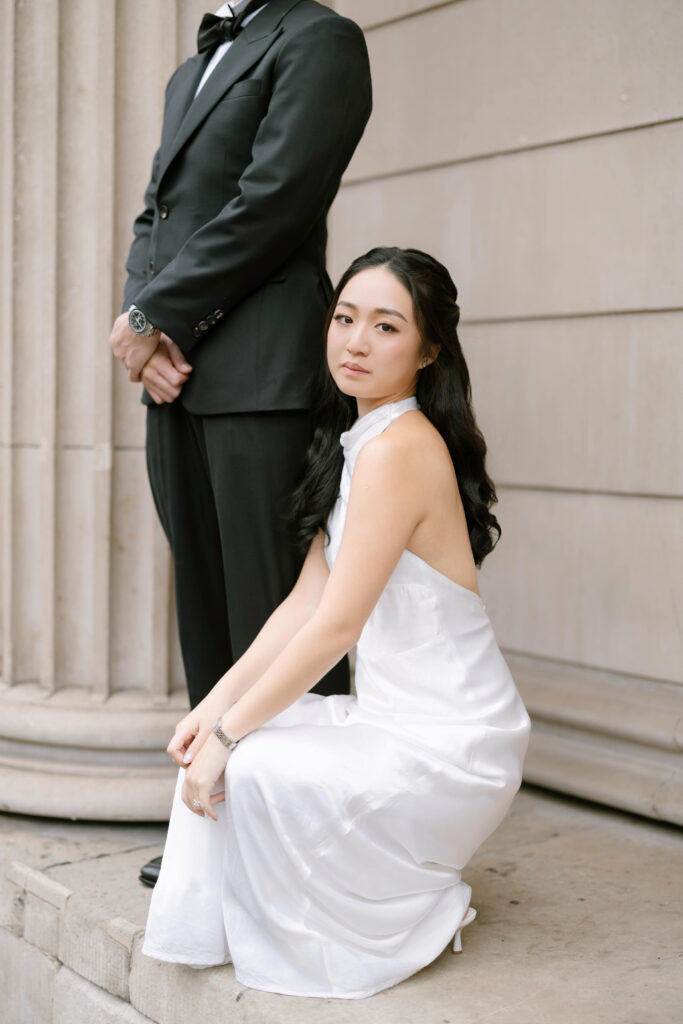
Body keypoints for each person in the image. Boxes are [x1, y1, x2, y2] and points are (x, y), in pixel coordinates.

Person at [141, 246, 531, 998]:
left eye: (385, 327)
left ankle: (391, 907)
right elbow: (301, 605)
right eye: (344, 318)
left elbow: (337, 627)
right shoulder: (362, 443)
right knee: (225, 754)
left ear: (429, 350)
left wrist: (228, 736)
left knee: (244, 762)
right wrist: (211, 709)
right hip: (390, 720)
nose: (354, 341)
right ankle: (236, 918)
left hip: (449, 743)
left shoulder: (402, 449)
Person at [107, 0, 372, 887]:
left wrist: (158, 315)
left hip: (261, 375)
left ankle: (299, 844)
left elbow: (277, 199)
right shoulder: (192, 70)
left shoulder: (322, 38)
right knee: (208, 610)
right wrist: (144, 339)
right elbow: (156, 215)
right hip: (177, 382)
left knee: (275, 613)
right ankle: (217, 830)